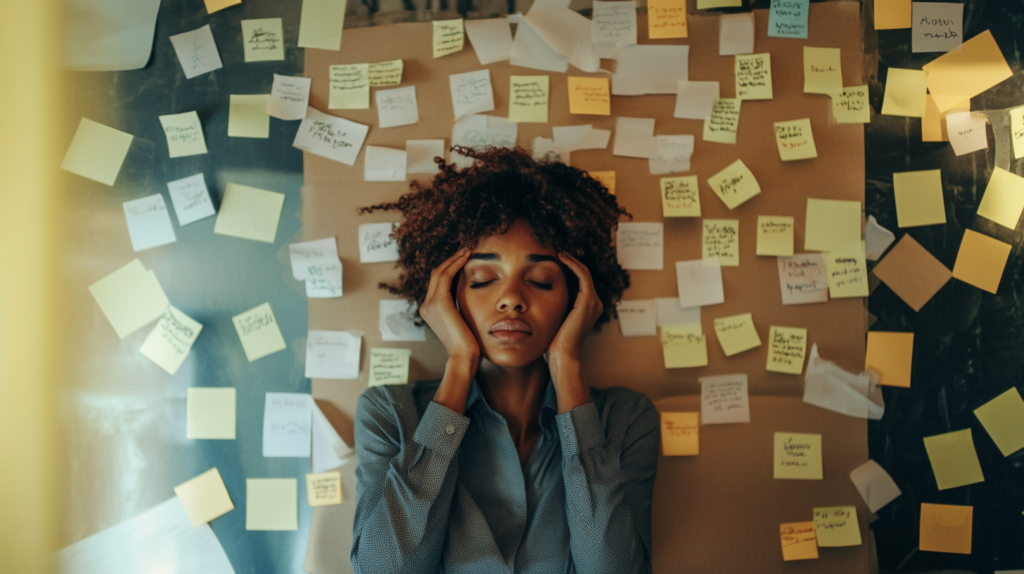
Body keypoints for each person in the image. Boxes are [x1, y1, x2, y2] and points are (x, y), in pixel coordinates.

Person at [350, 145, 660, 574]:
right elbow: (385, 570)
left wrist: (567, 365)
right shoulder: (389, 415)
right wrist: (460, 362)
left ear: (577, 297)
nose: (512, 299)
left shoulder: (627, 419)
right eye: (482, 279)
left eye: (540, 280)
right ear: (447, 294)